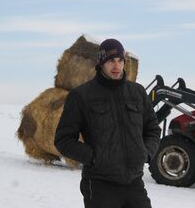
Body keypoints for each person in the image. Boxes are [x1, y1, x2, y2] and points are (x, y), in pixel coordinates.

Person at [54, 38, 161, 208]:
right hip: (100, 185)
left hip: (134, 183)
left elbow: (153, 129)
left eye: (120, 60)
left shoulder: (137, 92)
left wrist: (146, 152)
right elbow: (63, 140)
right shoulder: (82, 96)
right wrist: (95, 157)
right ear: (101, 62)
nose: (117, 66)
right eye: (111, 60)